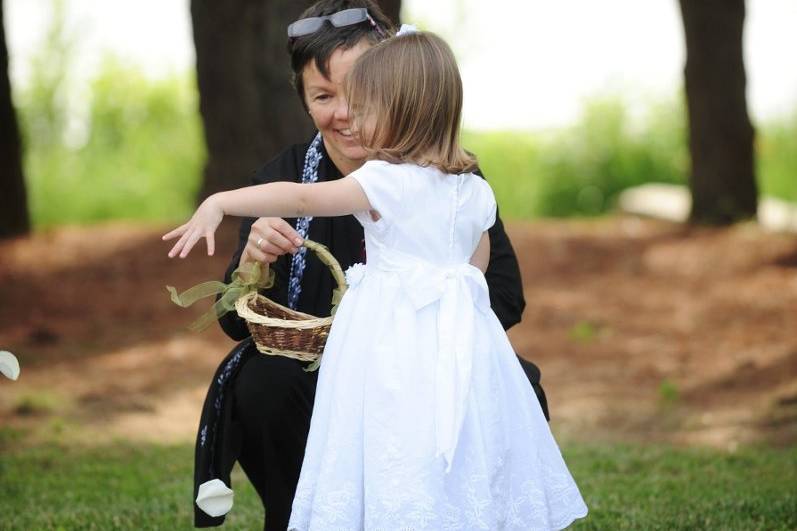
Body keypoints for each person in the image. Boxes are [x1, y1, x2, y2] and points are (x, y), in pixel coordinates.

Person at [165, 25, 588, 530]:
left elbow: (302, 200)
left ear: (401, 111)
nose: (349, 116)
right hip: (448, 352)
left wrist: (220, 202)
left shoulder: (383, 180)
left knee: (391, 436)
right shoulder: (470, 190)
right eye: (326, 97)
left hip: (385, 357)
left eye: (363, 103)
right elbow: (472, 266)